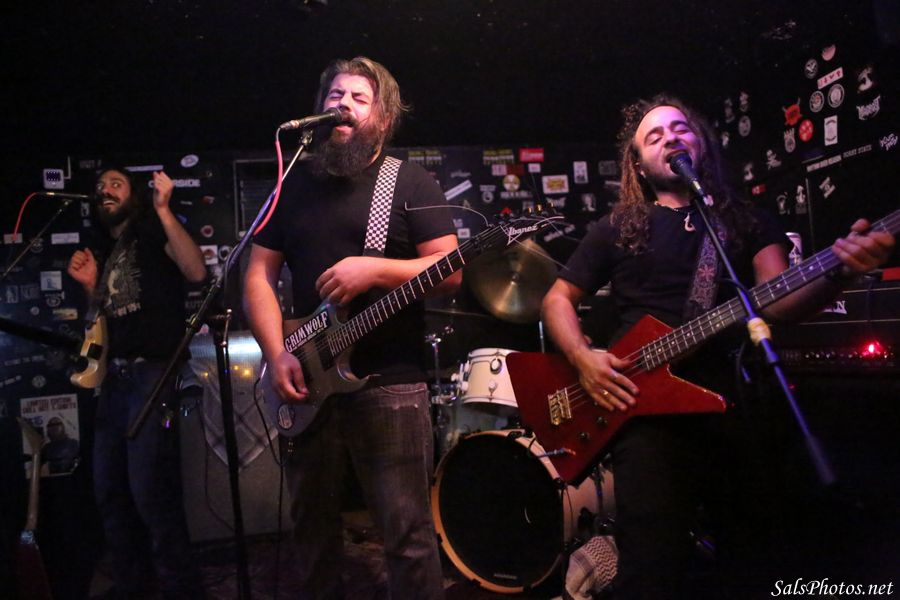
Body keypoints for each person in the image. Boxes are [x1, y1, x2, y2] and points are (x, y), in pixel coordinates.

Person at [541, 95, 895, 599]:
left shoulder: (746, 220)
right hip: (644, 414)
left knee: (748, 558)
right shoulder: (616, 228)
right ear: (638, 165)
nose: (671, 138)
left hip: (730, 403)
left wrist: (839, 271)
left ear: (700, 142)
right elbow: (557, 298)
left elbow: (778, 301)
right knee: (652, 565)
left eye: (680, 129)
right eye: (654, 136)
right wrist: (582, 357)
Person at [243, 56, 460, 600]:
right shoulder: (293, 183)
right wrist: (277, 352)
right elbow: (258, 275)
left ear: (383, 118)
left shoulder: (408, 180)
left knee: (406, 535)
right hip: (307, 377)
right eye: (335, 95)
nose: (343, 104)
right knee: (311, 531)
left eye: (359, 98)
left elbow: (451, 270)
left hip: (390, 382)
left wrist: (377, 270)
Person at [67, 167, 207, 599]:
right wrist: (92, 288)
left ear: (134, 195)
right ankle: (133, 586)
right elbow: (104, 323)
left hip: (153, 373)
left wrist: (164, 210)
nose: (105, 191)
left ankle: (182, 590)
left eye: (115, 184)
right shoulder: (110, 251)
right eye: (100, 188)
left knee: (152, 493)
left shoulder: (150, 230)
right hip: (116, 379)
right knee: (110, 493)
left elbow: (196, 271)